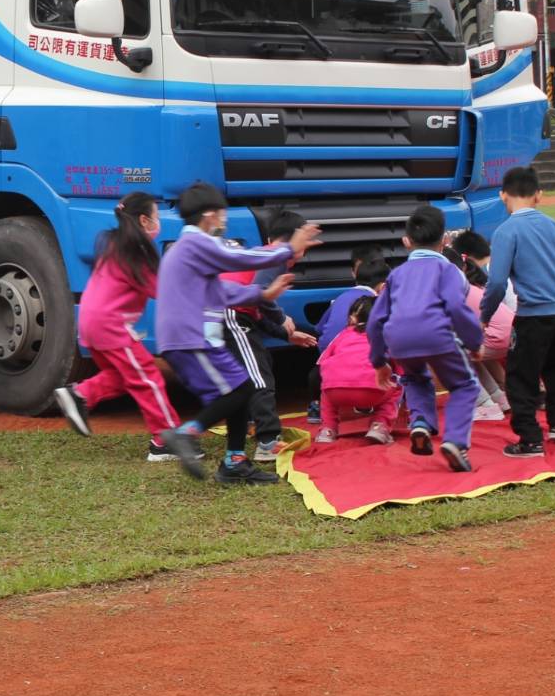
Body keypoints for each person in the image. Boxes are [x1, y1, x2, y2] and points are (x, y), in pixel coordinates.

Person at [154, 182, 321, 485]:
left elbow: (221, 290)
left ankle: (234, 463)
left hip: (197, 336)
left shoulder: (192, 250)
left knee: (241, 388)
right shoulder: (196, 244)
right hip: (191, 337)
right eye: (222, 211)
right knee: (239, 391)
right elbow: (241, 259)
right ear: (208, 214)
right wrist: (286, 249)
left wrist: (263, 293)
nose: (225, 217)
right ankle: (184, 434)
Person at [52, 192, 183, 461]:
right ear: (145, 220)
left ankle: (80, 394)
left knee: (124, 376)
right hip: (110, 326)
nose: (159, 222)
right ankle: (165, 439)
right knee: (148, 378)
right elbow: (164, 291)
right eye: (157, 216)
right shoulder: (138, 253)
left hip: (91, 324)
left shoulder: (115, 244)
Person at [479, 166, 555, 458]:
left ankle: (529, 438)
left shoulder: (506, 231)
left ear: (503, 195)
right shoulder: (553, 225)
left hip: (534, 314)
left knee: (520, 377)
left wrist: (485, 315)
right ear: (538, 195)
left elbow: (497, 282)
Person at [366, 207, 486, 471]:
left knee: (415, 378)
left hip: (399, 341)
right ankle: (455, 441)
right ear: (445, 240)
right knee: (465, 386)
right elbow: (456, 307)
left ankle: (420, 424)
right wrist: (474, 341)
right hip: (436, 335)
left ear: (406, 241)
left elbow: (375, 320)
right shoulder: (449, 271)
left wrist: (379, 361)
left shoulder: (396, 274)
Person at [221, 210, 317, 462]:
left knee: (256, 367)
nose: (306, 250)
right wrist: (282, 318)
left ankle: (252, 425)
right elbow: (260, 294)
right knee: (259, 376)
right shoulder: (274, 257)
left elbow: (257, 310)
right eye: (305, 242)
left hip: (232, 316)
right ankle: (267, 441)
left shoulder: (265, 255)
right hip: (230, 316)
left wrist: (287, 335)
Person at [307, 245, 387, 423]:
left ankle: (316, 407)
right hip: (359, 363)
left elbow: (320, 328)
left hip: (327, 359)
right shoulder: (376, 302)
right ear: (383, 286)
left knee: (317, 373)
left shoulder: (340, 298)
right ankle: (381, 412)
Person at [315, 296, 398, 445]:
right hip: (373, 391)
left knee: (326, 389)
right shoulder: (387, 334)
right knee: (398, 385)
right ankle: (381, 425)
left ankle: (327, 429)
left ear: (355, 317)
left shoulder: (343, 334)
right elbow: (400, 364)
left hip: (336, 392)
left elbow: (322, 361)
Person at [445, 247, 512, 420]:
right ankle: (499, 397)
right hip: (512, 335)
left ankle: (484, 404)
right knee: (470, 348)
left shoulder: (451, 290)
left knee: (448, 351)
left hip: (498, 337)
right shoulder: (469, 285)